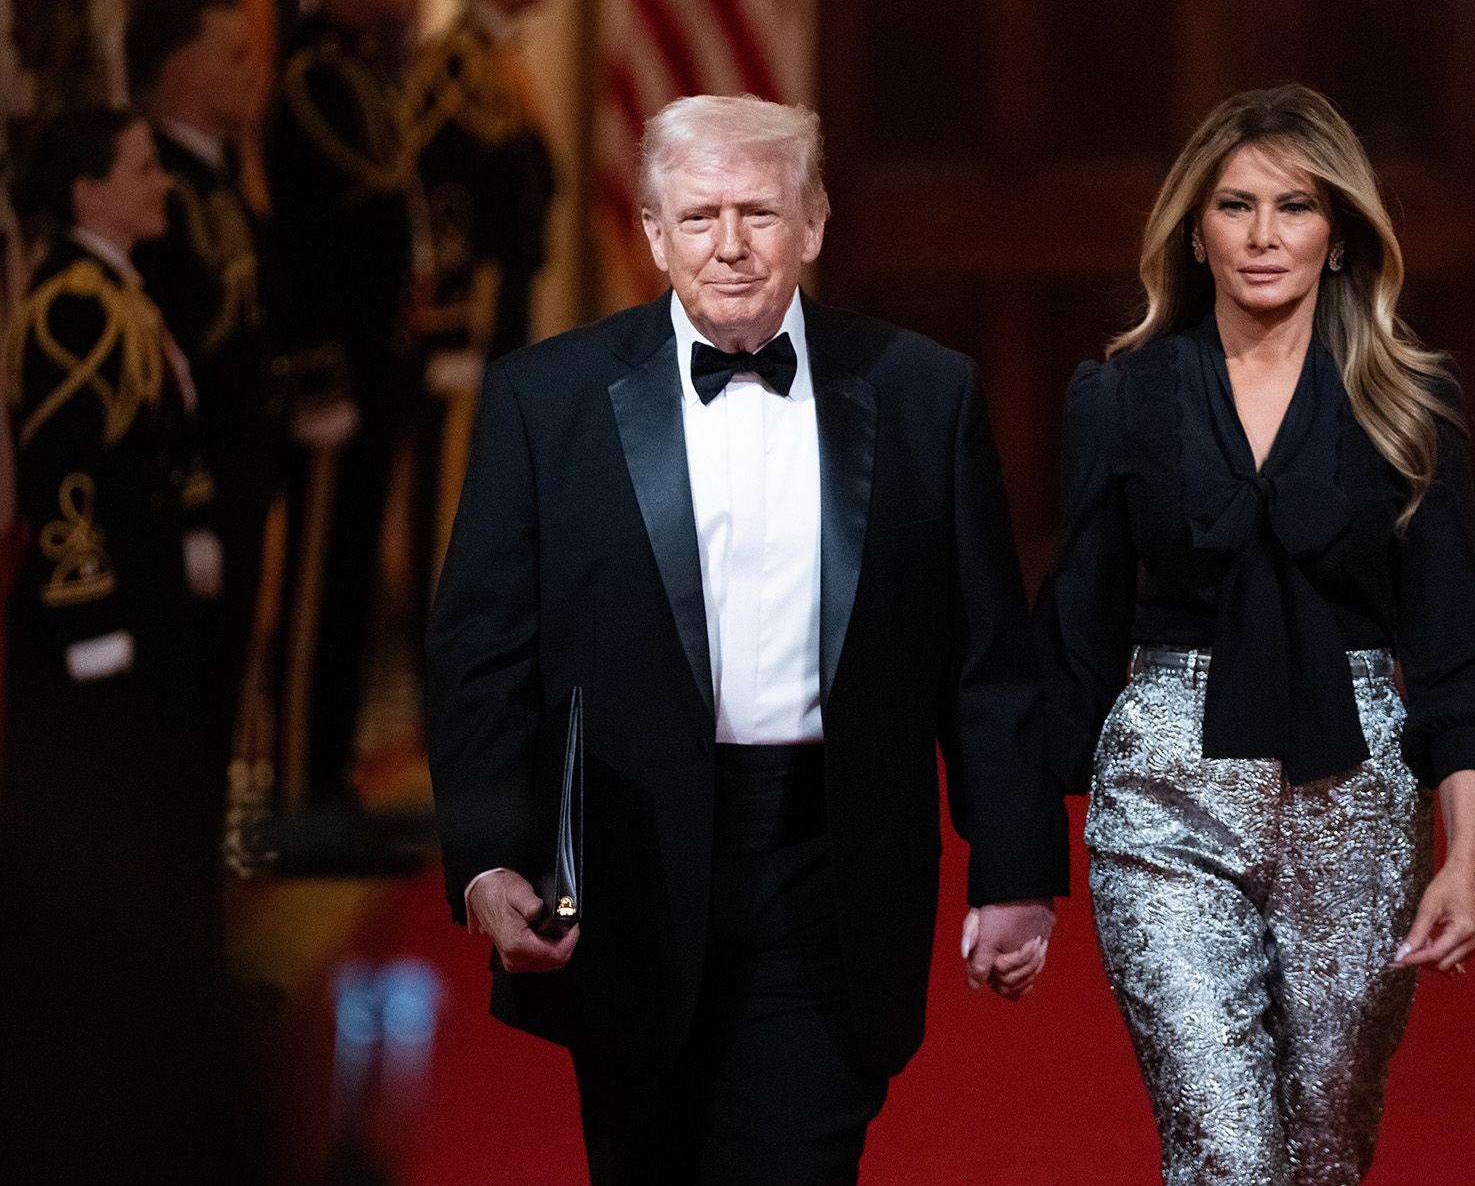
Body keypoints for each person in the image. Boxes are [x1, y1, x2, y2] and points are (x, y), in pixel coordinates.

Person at [426, 93, 1070, 1181]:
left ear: (813, 223)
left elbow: (984, 657)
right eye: (699, 216)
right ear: (650, 232)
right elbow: (481, 651)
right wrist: (491, 856)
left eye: (759, 214)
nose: (729, 246)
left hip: (827, 861)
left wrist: (1012, 867)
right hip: (621, 865)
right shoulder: (546, 401)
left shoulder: (921, 393)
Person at [1036, 84, 1475, 1185]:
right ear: (1192, 233)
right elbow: (1072, 632)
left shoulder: (1410, 404)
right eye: (1234, 206)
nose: (1262, 236)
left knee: (1324, 1152)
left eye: (1293, 207)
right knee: (1223, 1152)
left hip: (1355, 802)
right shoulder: (1117, 399)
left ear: (1337, 232)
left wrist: (1466, 857)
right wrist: (1014, 867)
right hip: (1162, 797)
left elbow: (1455, 653)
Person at [0, 105, 247, 1178]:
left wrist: (194, 524)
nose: (161, 183)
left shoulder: (115, 293)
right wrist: (90, 614)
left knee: (164, 786)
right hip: (99, 619)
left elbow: (162, 436)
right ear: (87, 190)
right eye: (142, 168)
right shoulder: (70, 308)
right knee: (113, 807)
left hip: (151, 600)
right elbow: (65, 478)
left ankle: (178, 979)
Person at [263, 0, 424, 843]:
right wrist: (323, 378)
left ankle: (331, 778)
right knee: (321, 587)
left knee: (354, 582)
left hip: (377, 370)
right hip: (335, 383)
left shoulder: (359, 70)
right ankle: (299, 797)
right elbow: (311, 254)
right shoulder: (313, 81)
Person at [126, 0, 282, 765]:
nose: (253, 71)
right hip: (193, 469)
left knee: (225, 659)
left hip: (243, 454)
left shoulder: (216, 173)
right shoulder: (158, 183)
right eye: (233, 53)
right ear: (177, 65)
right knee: (186, 669)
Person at [402, 0, 557, 617]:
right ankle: (448, 609)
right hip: (479, 295)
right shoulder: (454, 62)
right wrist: (451, 318)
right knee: (461, 455)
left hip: (512, 283)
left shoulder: (498, 57)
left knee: (500, 449)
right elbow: (444, 195)